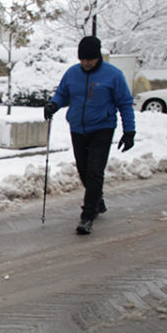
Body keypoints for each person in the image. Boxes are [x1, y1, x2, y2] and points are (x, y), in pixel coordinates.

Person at [44, 36, 136, 235]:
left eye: (90, 59)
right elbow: (62, 94)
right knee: (84, 170)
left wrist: (129, 132)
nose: (85, 63)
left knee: (95, 171)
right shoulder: (72, 73)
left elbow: (125, 103)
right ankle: (97, 199)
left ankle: (87, 216)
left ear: (98, 56)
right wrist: (53, 104)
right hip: (78, 128)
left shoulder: (113, 75)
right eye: (82, 59)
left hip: (102, 128)